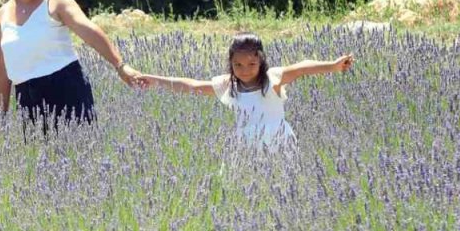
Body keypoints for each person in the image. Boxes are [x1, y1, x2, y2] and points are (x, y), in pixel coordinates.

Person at [0, 0, 142, 132]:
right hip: (27, 100)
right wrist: (1, 116)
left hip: (65, 91)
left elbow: (88, 31)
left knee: (78, 157)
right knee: (38, 160)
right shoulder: (3, 13)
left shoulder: (55, 1)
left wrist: (121, 66)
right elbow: (2, 68)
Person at [137, 33, 354, 151]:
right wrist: (155, 80)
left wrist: (333, 66)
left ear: (261, 61)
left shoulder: (272, 79)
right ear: (231, 65)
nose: (245, 70)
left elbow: (303, 67)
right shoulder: (228, 85)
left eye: (251, 64)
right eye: (238, 65)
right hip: (246, 145)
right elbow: (192, 86)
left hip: (278, 142)